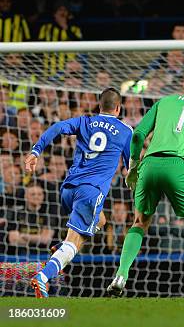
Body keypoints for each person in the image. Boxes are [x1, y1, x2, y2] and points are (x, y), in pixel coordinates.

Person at [107, 66, 184, 300]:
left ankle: (121, 275)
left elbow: (138, 135)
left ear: (183, 85)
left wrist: (133, 167)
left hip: (149, 164)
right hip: (178, 167)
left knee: (139, 223)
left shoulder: (164, 102)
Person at [26, 88, 132, 298]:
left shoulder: (85, 121)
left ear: (99, 105)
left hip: (68, 189)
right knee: (76, 242)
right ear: (118, 108)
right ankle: (43, 277)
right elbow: (130, 167)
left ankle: (60, 249)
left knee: (100, 221)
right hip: (90, 192)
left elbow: (57, 127)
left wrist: (36, 151)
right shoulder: (125, 130)